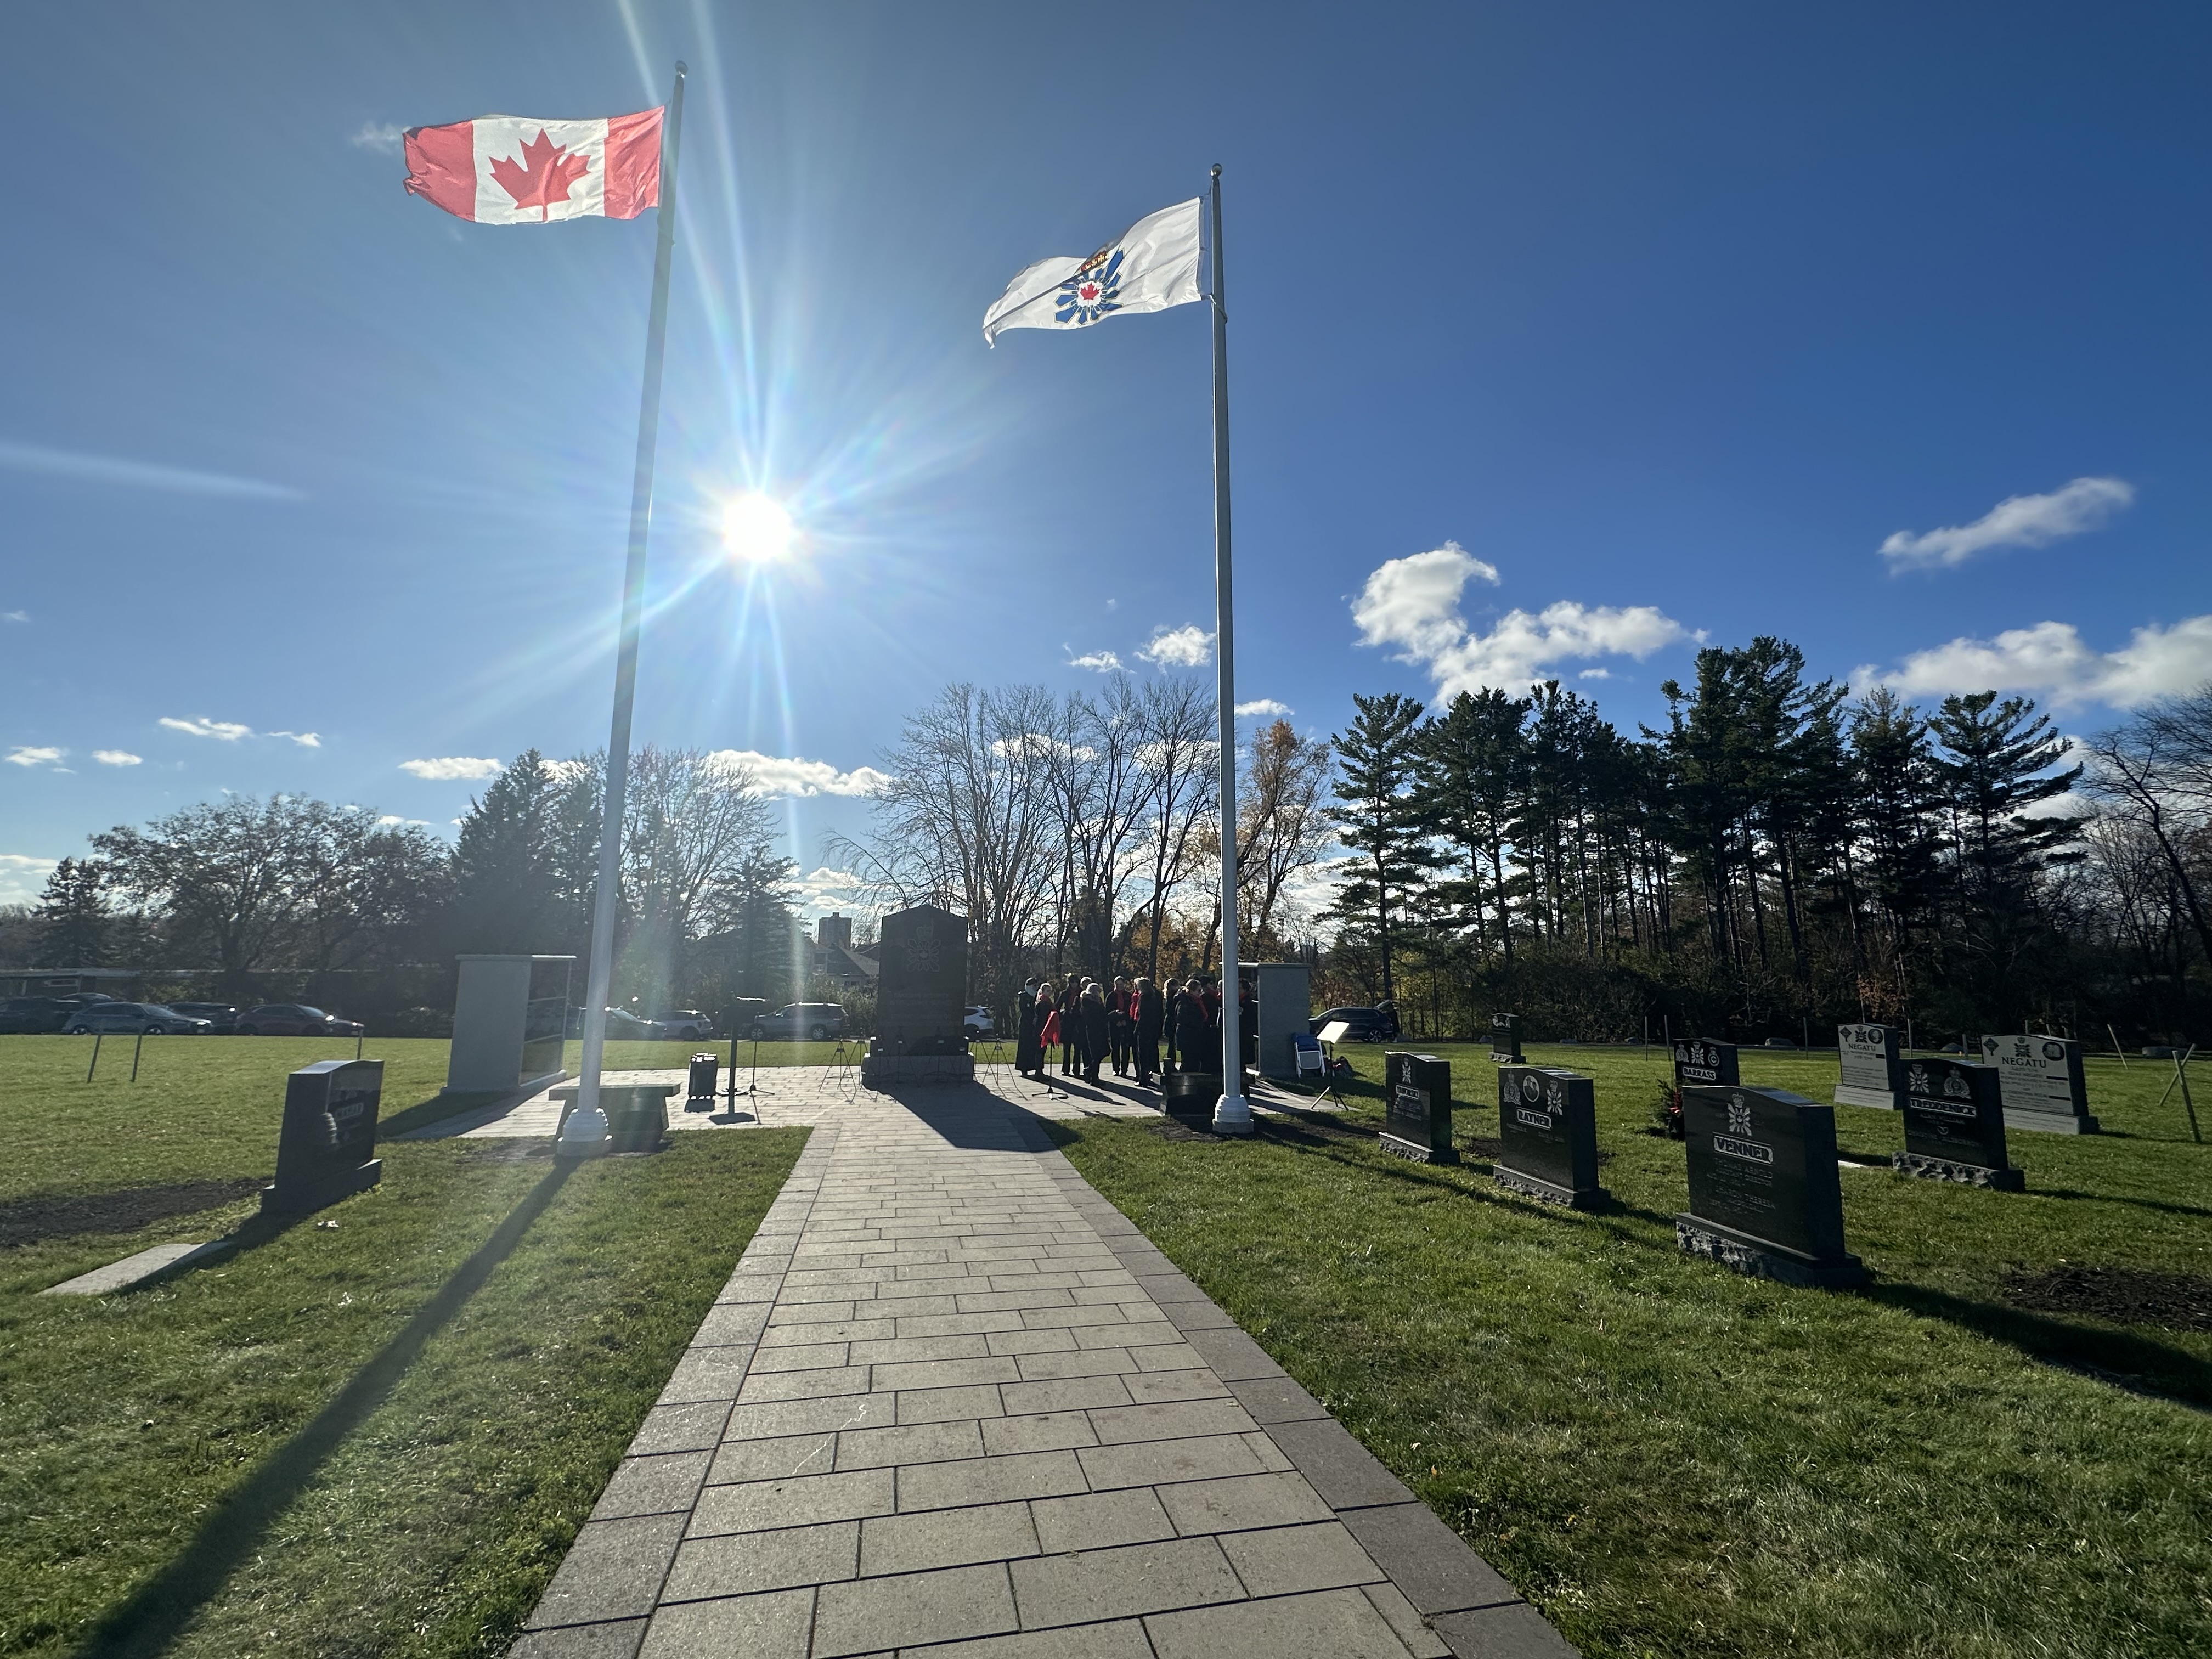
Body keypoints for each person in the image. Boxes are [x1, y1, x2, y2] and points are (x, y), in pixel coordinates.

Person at [1133, 976, 1163, 1086]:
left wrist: (1137, 1030)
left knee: (1143, 1054)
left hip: (1144, 1028)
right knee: (1152, 1052)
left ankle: (1144, 1079)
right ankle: (1153, 1073)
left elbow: (1143, 1015)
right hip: (1153, 1027)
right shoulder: (1155, 996)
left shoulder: (1144, 997)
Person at [1080, 980, 1111, 1085]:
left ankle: (1090, 1070)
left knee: (1104, 1051)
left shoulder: (1096, 1002)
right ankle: (1094, 1077)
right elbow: (1099, 1016)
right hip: (1094, 1031)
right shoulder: (1088, 1003)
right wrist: (1112, 1016)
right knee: (1096, 1054)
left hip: (1100, 1030)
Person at [1015, 977, 1042, 1077]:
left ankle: (1034, 1068)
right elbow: (1025, 1011)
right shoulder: (1024, 996)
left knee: (1033, 1047)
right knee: (1024, 1046)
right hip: (1026, 1024)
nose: (1036, 988)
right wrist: (1032, 1018)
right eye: (1034, 986)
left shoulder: (1037, 997)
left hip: (1034, 1025)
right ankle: (1023, 1068)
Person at [1032, 982, 1059, 1080]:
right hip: (1041, 1029)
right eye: (1048, 991)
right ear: (1043, 992)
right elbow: (1043, 1017)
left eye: (1050, 991)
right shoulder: (1043, 1002)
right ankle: (1039, 1072)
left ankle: (1040, 1071)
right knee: (1040, 1051)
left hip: (1041, 1028)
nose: (1050, 993)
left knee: (1042, 1051)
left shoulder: (1045, 1001)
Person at [1109, 976, 1133, 1077]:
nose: (1119, 986)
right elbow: (1108, 1011)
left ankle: (1125, 1069)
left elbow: (1131, 1009)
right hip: (1115, 1025)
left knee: (1125, 1048)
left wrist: (1125, 1020)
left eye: (1121, 984)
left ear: (1124, 984)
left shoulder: (1128, 995)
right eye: (1117, 984)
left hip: (1126, 1024)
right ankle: (1116, 1069)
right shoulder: (1111, 996)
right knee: (1115, 1048)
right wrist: (1116, 1021)